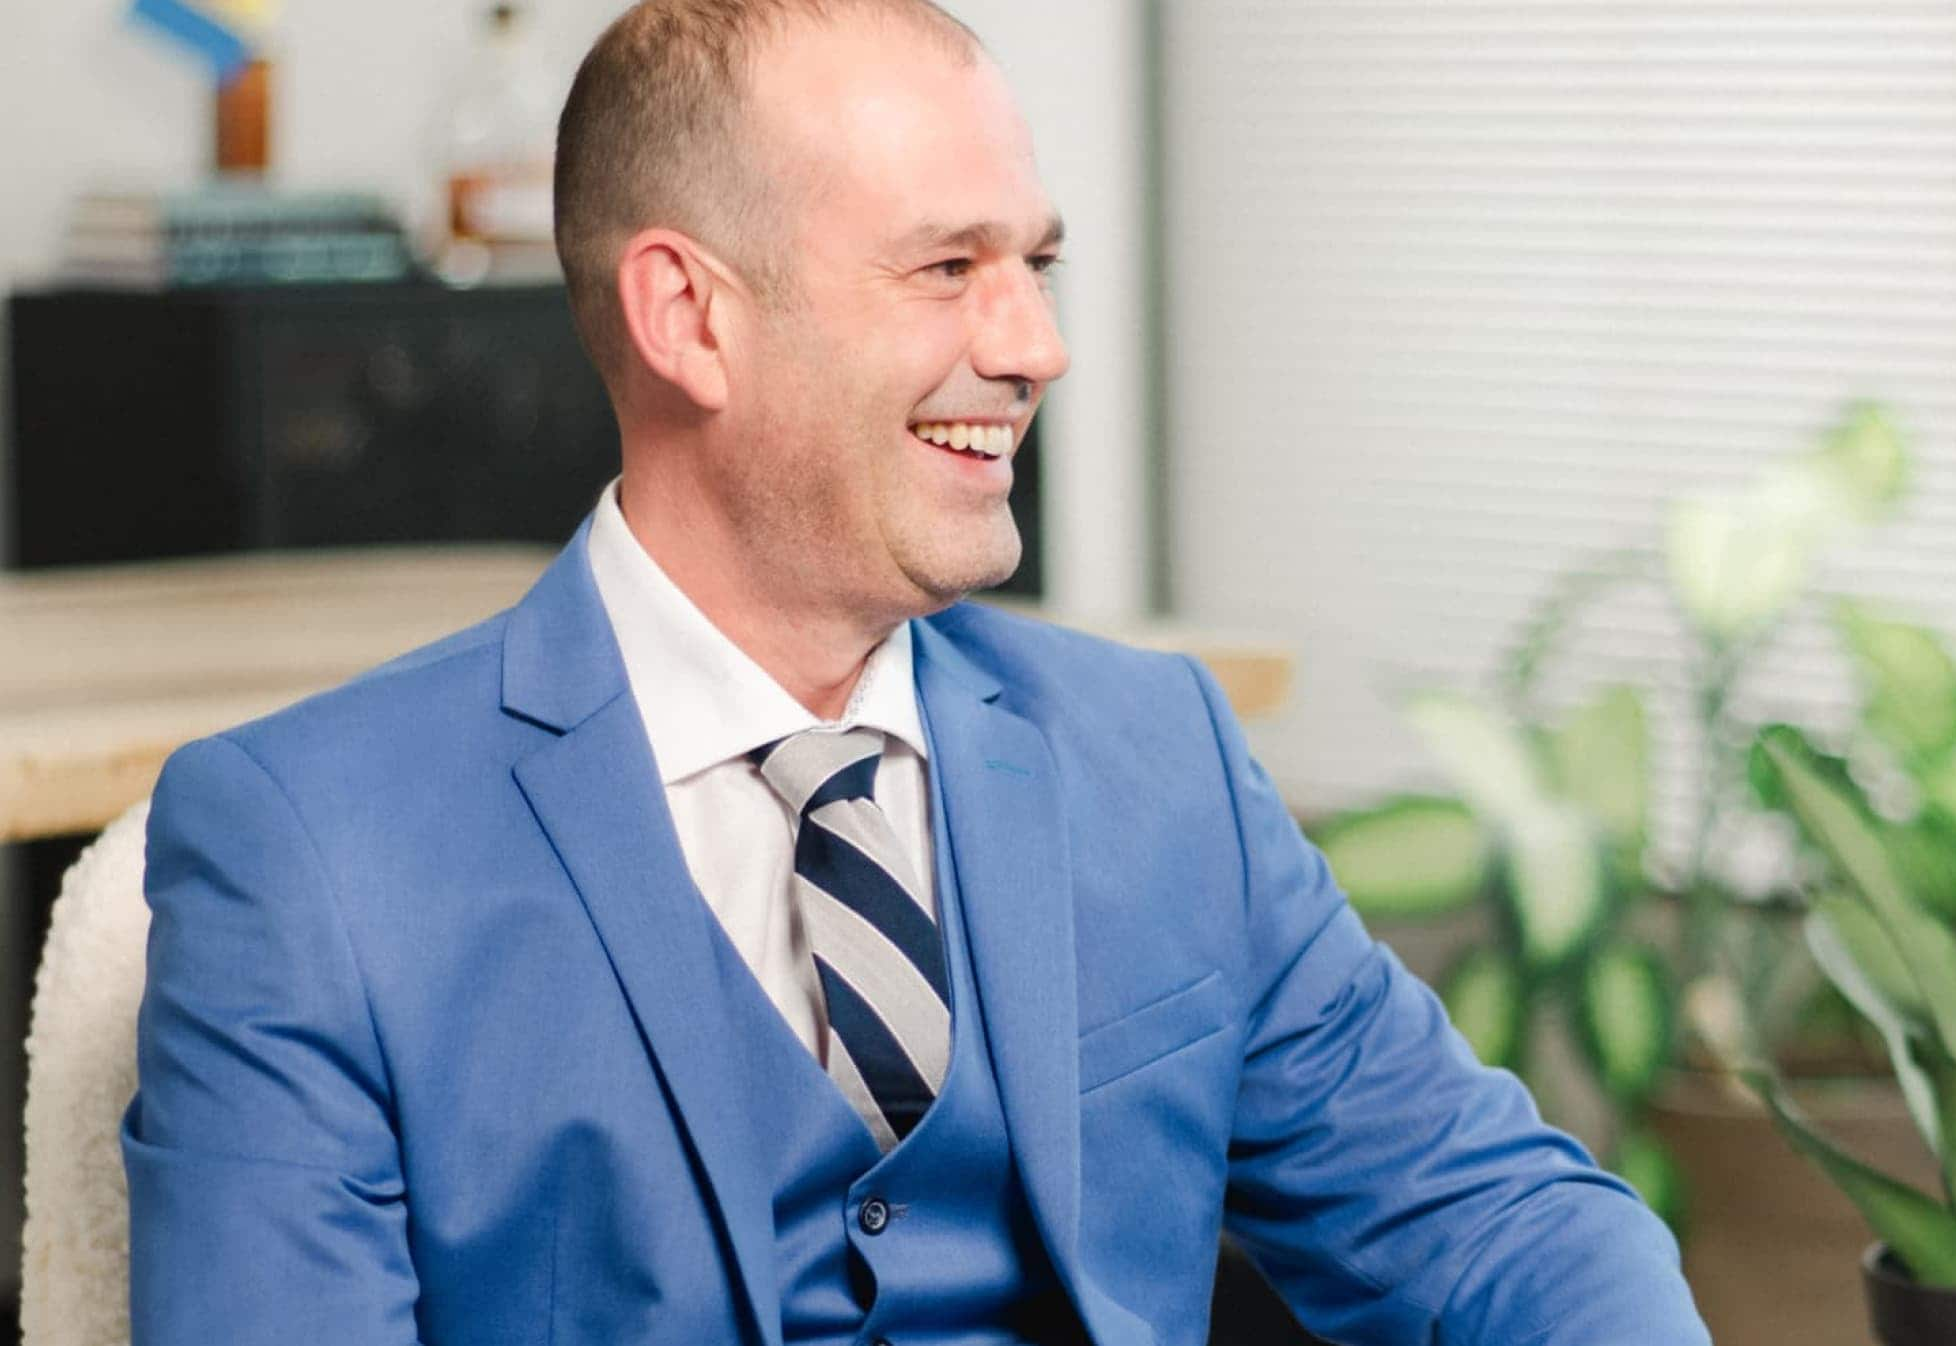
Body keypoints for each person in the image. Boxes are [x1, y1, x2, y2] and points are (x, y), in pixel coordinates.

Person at [122, 3, 1709, 1343]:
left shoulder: (1157, 755)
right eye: (950, 267)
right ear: (690, 317)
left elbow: (1493, 1217)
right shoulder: (306, 846)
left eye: (1037, 261)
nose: (1035, 344)